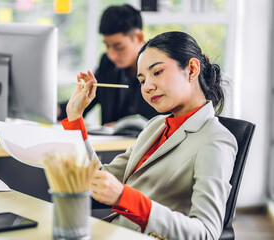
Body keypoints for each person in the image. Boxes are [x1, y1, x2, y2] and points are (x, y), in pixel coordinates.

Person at [61, 31, 238, 239]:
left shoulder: (216, 139)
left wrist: (125, 198)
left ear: (191, 69)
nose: (147, 87)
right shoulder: (155, 126)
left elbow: (206, 233)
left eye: (157, 72)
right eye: (142, 80)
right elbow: (100, 178)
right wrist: (74, 118)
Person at [58, 4, 160, 125]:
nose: (112, 55)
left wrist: (122, 126)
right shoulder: (107, 63)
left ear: (138, 37)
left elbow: (162, 119)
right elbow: (87, 102)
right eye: (107, 46)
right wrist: (59, 110)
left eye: (118, 47)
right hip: (108, 144)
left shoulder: (159, 67)